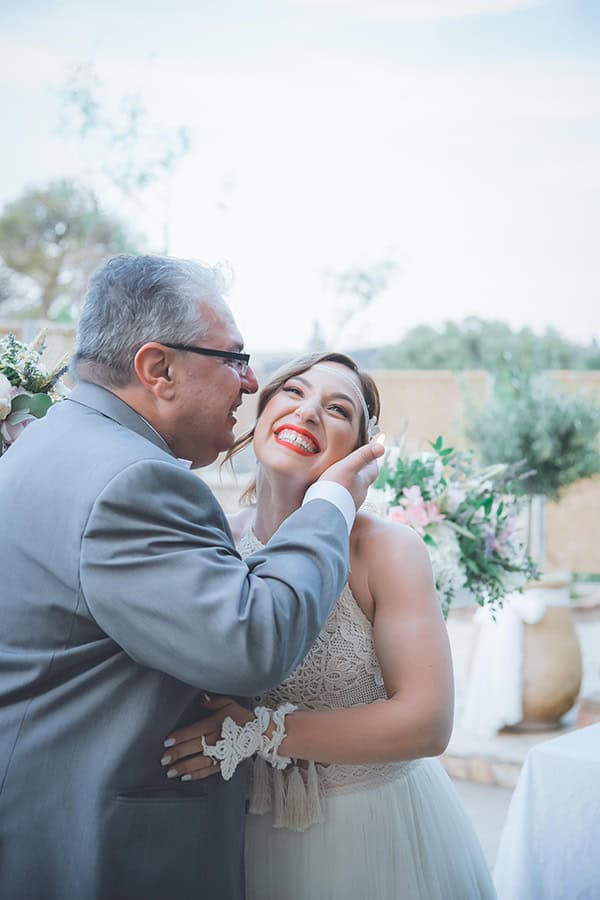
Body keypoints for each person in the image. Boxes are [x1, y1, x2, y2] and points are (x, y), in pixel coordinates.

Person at [0, 257, 383, 900]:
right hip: (102, 849)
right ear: (158, 369)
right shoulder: (135, 482)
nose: (251, 382)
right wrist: (330, 505)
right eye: (233, 359)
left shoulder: (50, 440)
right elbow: (252, 642)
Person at [160, 352, 496, 900]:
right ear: (264, 410)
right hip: (244, 835)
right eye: (294, 391)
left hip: (370, 834)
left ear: (361, 452)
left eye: (338, 409)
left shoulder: (385, 549)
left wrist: (255, 732)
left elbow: (428, 723)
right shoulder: (214, 542)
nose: (309, 410)